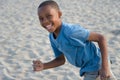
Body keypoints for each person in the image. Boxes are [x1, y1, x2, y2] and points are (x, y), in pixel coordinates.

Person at [32, 0, 117, 80]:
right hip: (88, 69)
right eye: (41, 18)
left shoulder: (71, 32)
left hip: (96, 66)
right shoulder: (52, 37)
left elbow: (101, 38)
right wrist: (44, 66)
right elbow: (61, 60)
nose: (45, 21)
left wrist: (105, 67)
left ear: (59, 14)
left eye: (49, 16)